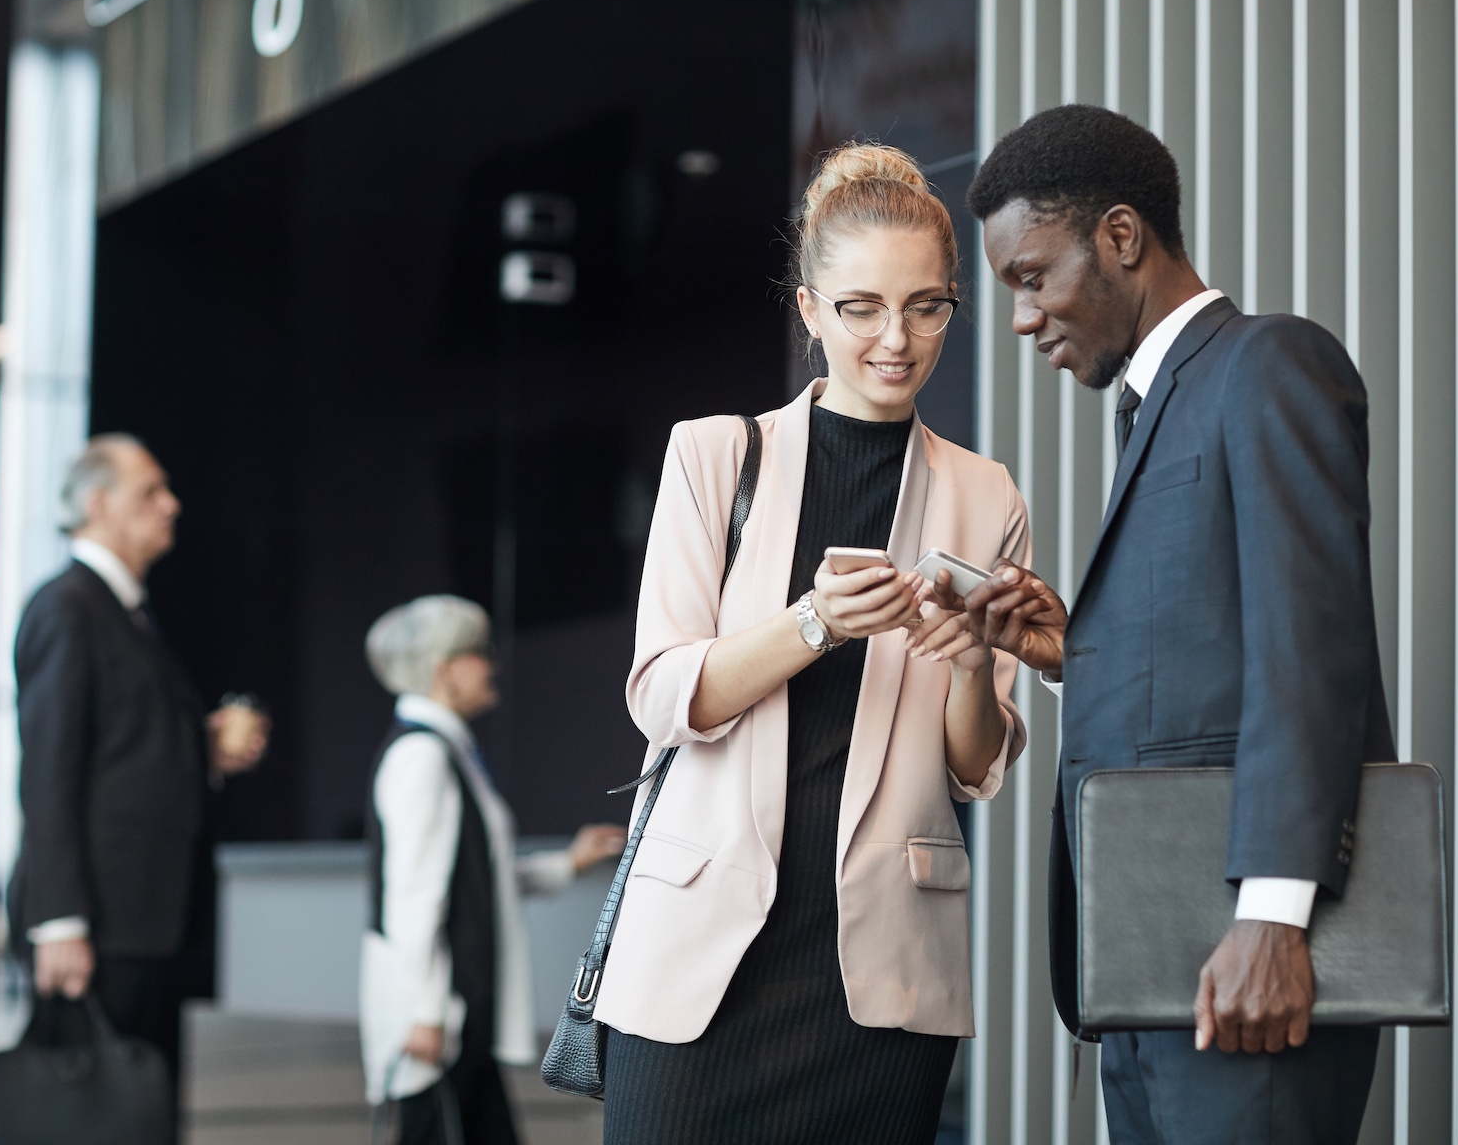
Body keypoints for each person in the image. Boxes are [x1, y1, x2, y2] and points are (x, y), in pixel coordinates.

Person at [960, 104, 1396, 1145]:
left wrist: (1272, 917)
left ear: (1121, 237)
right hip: (1152, 975)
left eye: (1032, 275)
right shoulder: (1157, 408)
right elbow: (1211, 668)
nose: (1022, 319)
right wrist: (1073, 655)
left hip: (1245, 964)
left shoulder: (1268, 364)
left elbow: (1311, 655)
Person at [595, 144, 1036, 1145]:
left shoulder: (986, 493)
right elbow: (665, 696)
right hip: (700, 962)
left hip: (878, 976)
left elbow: (976, 765)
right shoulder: (715, 456)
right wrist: (815, 621)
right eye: (862, 306)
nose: (897, 338)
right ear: (808, 311)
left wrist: (972, 657)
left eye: (928, 305)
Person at [9, 434, 268, 1090]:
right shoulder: (68, 606)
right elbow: (48, 771)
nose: (171, 505)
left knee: (135, 1113)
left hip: (145, 923)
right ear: (97, 504)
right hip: (100, 925)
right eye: (149, 491)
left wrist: (200, 746)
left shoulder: (127, 610)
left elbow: (117, 751)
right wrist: (60, 921)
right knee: (91, 1116)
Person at [360, 595, 625, 1144]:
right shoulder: (423, 758)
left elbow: (474, 876)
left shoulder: (445, 751)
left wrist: (565, 865)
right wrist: (422, 1012)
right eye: (478, 652)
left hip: (456, 1009)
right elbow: (414, 896)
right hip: (445, 1016)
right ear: (442, 670)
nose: (491, 663)